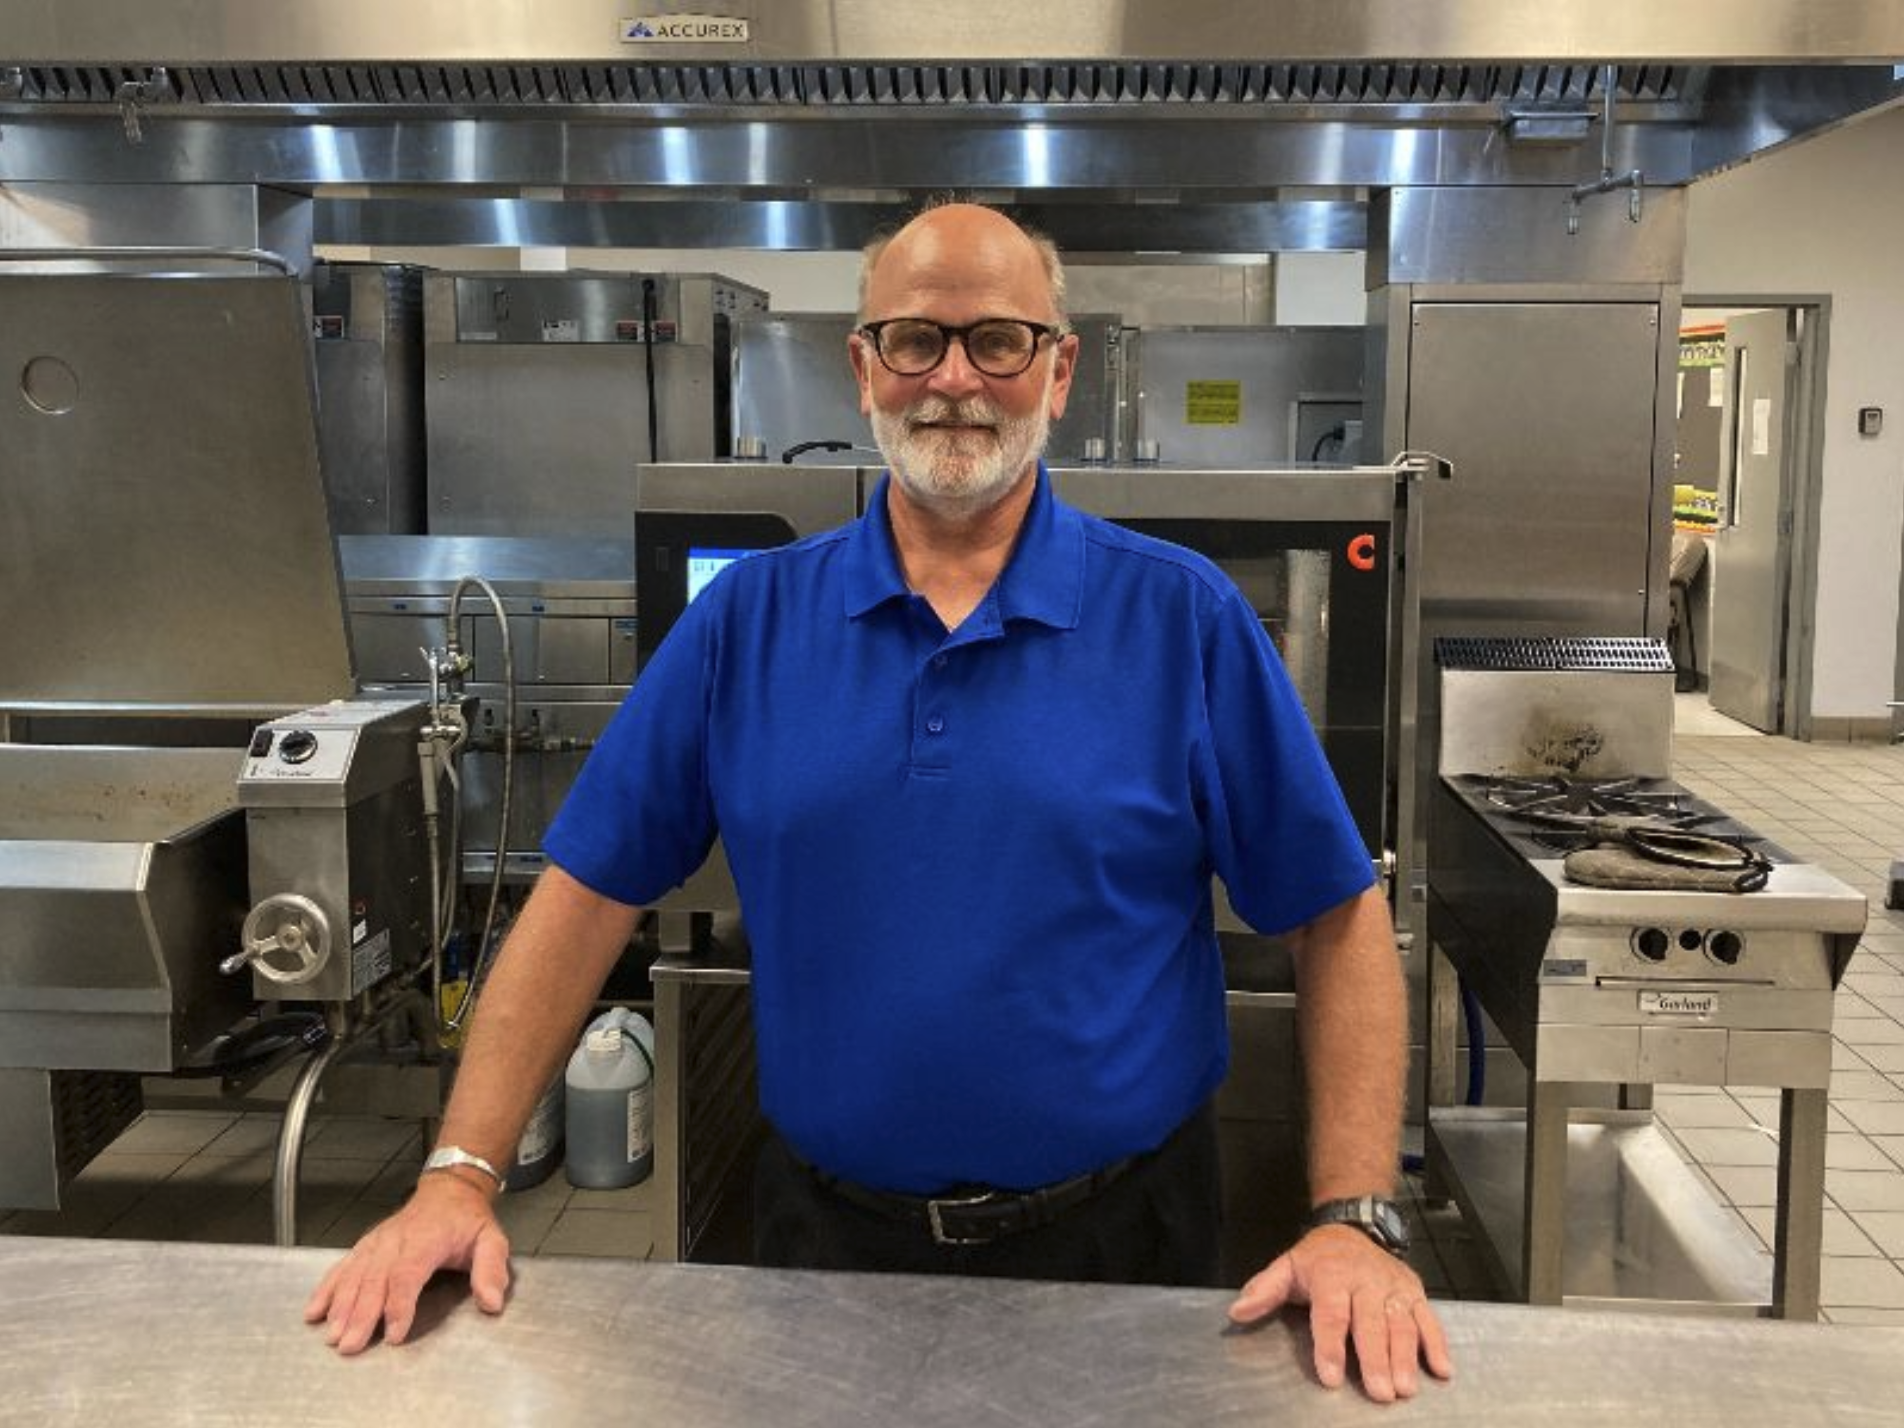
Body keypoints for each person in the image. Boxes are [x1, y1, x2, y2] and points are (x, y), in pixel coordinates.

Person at [307, 201, 1454, 1403]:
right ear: (862, 369)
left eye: (998, 342)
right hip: (824, 1243)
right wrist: (457, 1173)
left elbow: (1334, 915)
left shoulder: (1183, 619)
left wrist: (1354, 1216)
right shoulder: (745, 624)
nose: (954, 380)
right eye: (914, 339)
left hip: (1127, 1245)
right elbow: (583, 898)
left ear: (1056, 373)